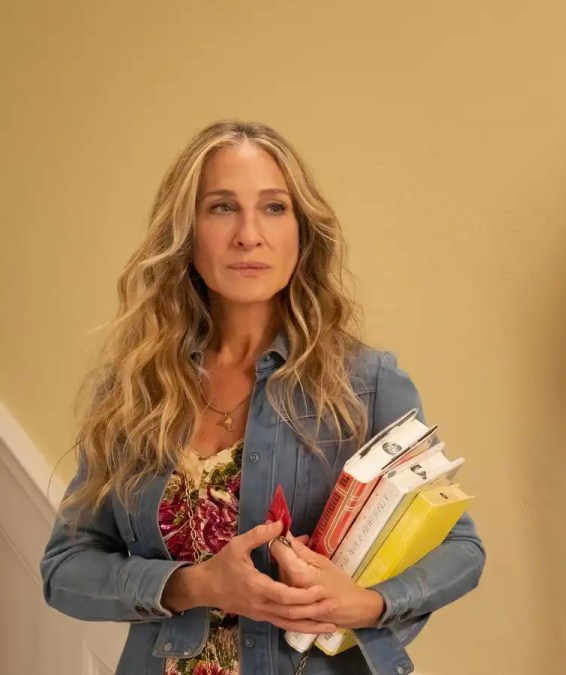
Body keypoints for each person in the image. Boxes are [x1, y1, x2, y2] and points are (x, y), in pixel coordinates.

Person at [39, 120, 485, 675]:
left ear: (302, 231)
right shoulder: (137, 391)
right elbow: (65, 569)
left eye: (274, 208)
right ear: (185, 232)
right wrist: (193, 585)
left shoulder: (365, 383)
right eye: (222, 207)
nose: (249, 235)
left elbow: (460, 548)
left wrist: (366, 604)